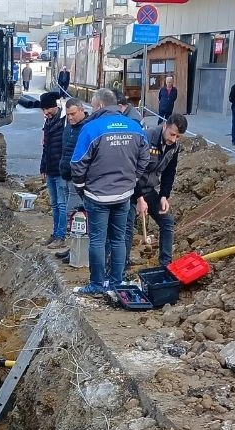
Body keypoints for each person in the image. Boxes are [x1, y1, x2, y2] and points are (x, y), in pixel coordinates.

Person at [70, 88, 149, 295]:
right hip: (124, 194)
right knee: (119, 238)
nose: (92, 110)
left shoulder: (91, 128)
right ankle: (116, 282)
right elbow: (145, 158)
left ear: (101, 105)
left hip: (97, 195)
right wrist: (132, 179)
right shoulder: (135, 127)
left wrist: (81, 187)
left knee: (97, 239)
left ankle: (97, 283)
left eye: (94, 106)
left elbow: (78, 163)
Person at [125, 113, 185, 268]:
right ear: (164, 125)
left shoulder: (174, 146)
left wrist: (164, 195)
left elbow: (169, 172)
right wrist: (139, 198)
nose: (173, 139)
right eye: (172, 134)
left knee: (167, 221)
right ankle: (121, 265)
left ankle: (165, 264)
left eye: (178, 137)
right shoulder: (146, 137)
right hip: (131, 189)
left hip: (148, 189)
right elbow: (131, 170)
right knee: (127, 227)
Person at [53, 97, 89, 257]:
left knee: (75, 215)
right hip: (66, 176)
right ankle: (72, 249)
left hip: (79, 180)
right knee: (71, 217)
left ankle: (77, 252)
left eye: (73, 114)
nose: (70, 117)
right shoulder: (69, 127)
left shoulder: (87, 129)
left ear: (82, 110)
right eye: (68, 114)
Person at [39, 92, 66, 247]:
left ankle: (61, 236)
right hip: (50, 170)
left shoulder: (64, 122)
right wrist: (43, 167)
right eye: (44, 109)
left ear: (55, 106)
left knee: (62, 205)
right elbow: (45, 147)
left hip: (61, 171)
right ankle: (55, 233)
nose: (46, 112)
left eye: (48, 108)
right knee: (55, 204)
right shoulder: (48, 123)